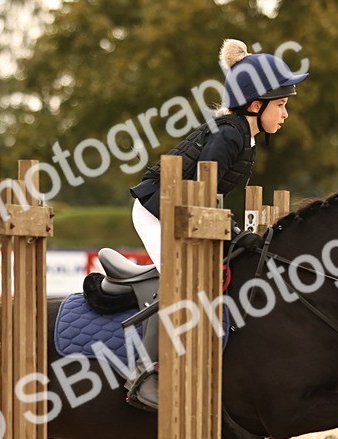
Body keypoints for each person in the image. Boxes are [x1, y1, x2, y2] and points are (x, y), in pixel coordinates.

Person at [127, 38, 308, 267]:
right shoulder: (229, 135)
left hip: (181, 210)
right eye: (281, 104)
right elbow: (202, 193)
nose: (285, 114)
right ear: (255, 105)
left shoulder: (245, 137)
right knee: (184, 277)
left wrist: (234, 234)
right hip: (156, 210)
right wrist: (235, 234)